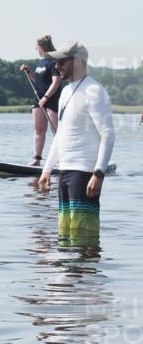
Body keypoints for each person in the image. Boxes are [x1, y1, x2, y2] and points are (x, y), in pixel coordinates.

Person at [36, 42, 115, 242]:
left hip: (85, 173)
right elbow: (60, 134)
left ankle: (87, 273)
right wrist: (47, 169)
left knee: (83, 240)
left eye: (61, 61)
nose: (57, 66)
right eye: (56, 62)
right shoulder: (65, 92)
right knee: (65, 238)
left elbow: (108, 135)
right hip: (64, 171)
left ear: (77, 61)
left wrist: (98, 173)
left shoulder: (94, 91)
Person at [19, 35, 63, 166]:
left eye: (37, 47)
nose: (35, 49)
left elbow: (56, 82)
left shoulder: (53, 63)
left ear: (42, 47)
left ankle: (62, 159)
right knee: (38, 130)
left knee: (56, 131)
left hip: (52, 100)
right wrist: (29, 72)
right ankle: (36, 158)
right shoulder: (40, 63)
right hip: (38, 100)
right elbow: (38, 80)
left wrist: (46, 98)